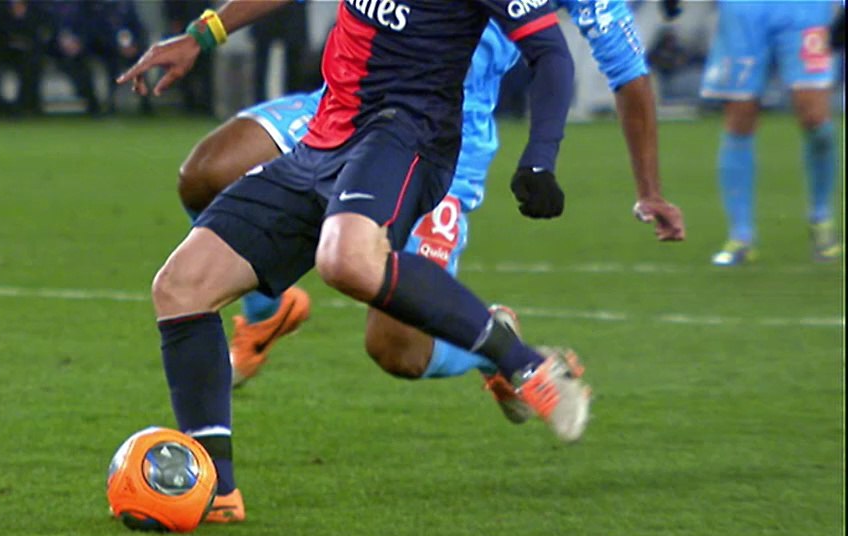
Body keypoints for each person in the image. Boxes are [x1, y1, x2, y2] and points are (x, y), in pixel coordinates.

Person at [118, 0, 589, 525]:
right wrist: (202, 35)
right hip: (325, 136)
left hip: (407, 136)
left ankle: (525, 363)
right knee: (181, 286)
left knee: (347, 261)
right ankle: (216, 490)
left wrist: (541, 157)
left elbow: (551, 52)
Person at [185, 0, 686, 410]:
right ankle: (266, 315)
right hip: (347, 105)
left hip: (442, 140)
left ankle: (494, 351)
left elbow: (626, 72)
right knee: (207, 173)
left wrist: (650, 189)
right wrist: (204, 32)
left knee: (396, 349)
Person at [701, 0, 841, 266]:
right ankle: (741, 236)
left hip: (805, 8)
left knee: (815, 117)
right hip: (743, 9)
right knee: (740, 114)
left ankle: (821, 218)